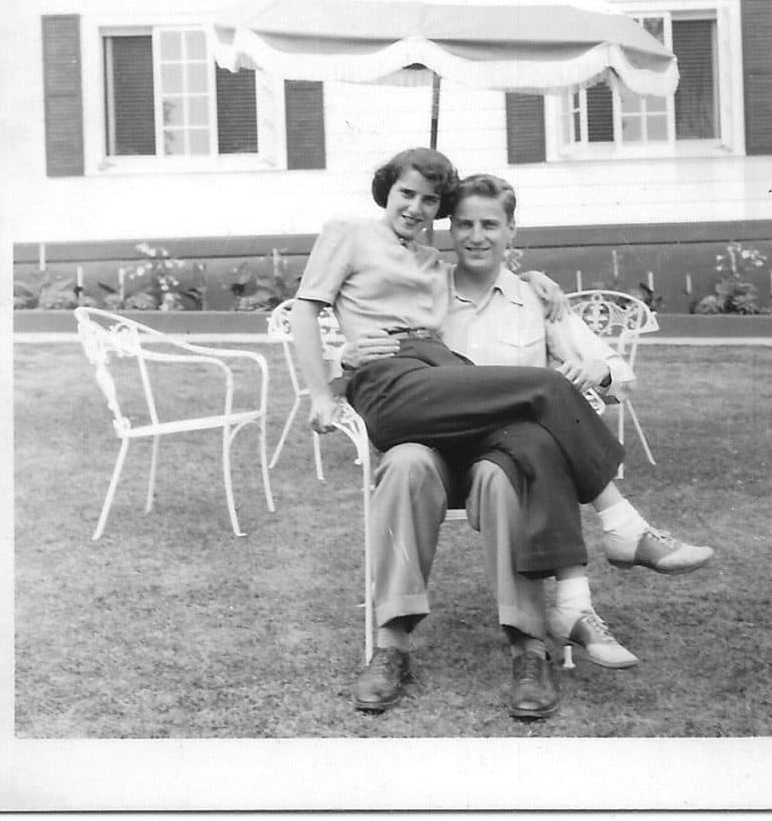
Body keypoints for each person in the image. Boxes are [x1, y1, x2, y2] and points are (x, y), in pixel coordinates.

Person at [290, 149, 712, 716]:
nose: (474, 236)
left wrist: (548, 299)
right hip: (421, 433)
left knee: (528, 442)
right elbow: (340, 313)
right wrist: (340, 364)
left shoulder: (502, 289)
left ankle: (530, 646)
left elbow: (612, 369)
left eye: (488, 225)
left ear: (512, 233)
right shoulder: (390, 255)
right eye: (463, 225)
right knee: (499, 414)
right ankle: (393, 644)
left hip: (497, 453)